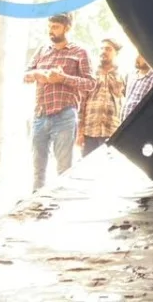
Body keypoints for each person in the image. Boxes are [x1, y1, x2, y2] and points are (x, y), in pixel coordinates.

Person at [24, 13, 95, 191]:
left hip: (64, 115)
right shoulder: (42, 50)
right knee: (37, 167)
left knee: (63, 169)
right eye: (49, 27)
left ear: (67, 28)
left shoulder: (79, 52)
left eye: (55, 27)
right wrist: (36, 74)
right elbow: (26, 74)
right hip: (40, 115)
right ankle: (35, 200)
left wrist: (63, 78)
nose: (51, 31)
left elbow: (90, 83)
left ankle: (60, 202)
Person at [79, 38, 126, 155]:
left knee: (107, 164)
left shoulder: (122, 74)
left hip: (111, 131)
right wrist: (79, 131)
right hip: (89, 130)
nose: (104, 51)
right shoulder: (90, 73)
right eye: (102, 48)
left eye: (108, 49)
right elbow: (81, 101)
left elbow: (124, 98)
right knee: (87, 164)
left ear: (116, 53)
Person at [122, 53, 153, 120]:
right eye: (137, 54)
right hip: (124, 122)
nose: (137, 58)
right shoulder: (131, 75)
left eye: (141, 55)